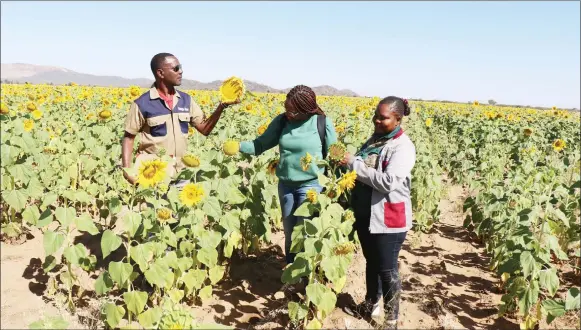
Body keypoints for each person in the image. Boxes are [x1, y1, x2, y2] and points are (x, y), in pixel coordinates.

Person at [239, 85, 337, 265]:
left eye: (293, 111)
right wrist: (235, 146)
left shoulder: (321, 123)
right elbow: (260, 144)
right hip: (286, 186)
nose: (288, 113)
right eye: (286, 108)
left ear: (306, 109)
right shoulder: (283, 121)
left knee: (307, 233)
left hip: (312, 186)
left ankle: (309, 275)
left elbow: (335, 155)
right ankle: (292, 273)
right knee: (291, 234)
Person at [340, 96, 415, 329]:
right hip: (367, 214)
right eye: (377, 115)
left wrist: (353, 164)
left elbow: (387, 182)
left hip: (388, 218)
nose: (377, 120)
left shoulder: (402, 147)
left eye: (383, 118)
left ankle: (391, 319)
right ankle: (371, 303)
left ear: (398, 119)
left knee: (387, 268)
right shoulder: (376, 139)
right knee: (372, 262)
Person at [121, 53, 240, 188]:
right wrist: (127, 171)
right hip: (153, 174)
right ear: (161, 73)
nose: (181, 71)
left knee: (180, 208)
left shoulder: (186, 100)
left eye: (180, 67)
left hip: (181, 173)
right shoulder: (142, 103)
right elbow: (128, 138)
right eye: (176, 68)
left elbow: (204, 129)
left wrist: (222, 106)